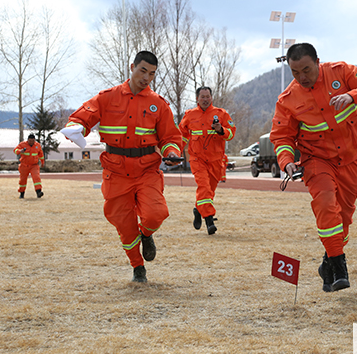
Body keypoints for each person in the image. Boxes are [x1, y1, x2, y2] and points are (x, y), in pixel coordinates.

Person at [270, 43, 357, 292]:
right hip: (317, 160)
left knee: (342, 217)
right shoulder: (287, 100)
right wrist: (287, 161)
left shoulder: (342, 72)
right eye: (295, 72)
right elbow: (281, 137)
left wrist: (352, 95)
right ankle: (340, 266)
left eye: (307, 70)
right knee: (325, 204)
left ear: (318, 62)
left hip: (351, 160)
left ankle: (327, 264)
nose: (302, 77)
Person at [63, 51, 183, 283]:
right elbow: (84, 115)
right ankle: (138, 267)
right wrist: (76, 126)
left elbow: (170, 137)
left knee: (156, 214)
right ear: (132, 67)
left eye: (152, 74)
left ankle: (147, 234)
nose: (146, 77)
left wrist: (171, 152)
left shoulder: (159, 104)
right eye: (143, 71)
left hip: (147, 169)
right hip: (116, 171)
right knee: (124, 225)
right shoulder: (108, 97)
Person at [179, 87, 236, 235]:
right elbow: (182, 136)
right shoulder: (189, 115)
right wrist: (175, 151)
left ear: (211, 97)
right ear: (197, 99)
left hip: (216, 160)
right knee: (204, 187)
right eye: (202, 97)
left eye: (207, 96)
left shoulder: (221, 114)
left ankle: (198, 210)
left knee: (209, 191)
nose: (205, 99)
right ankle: (209, 220)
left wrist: (221, 130)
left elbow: (231, 134)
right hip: (197, 159)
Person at [14, 133, 45, 199]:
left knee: (36, 177)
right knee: (23, 180)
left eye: (33, 141)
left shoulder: (37, 145)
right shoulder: (22, 144)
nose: (31, 142)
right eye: (30, 141)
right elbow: (15, 150)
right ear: (28, 140)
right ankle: (22, 193)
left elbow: (41, 155)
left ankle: (38, 192)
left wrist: (42, 162)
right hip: (24, 165)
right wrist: (20, 151)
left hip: (34, 165)